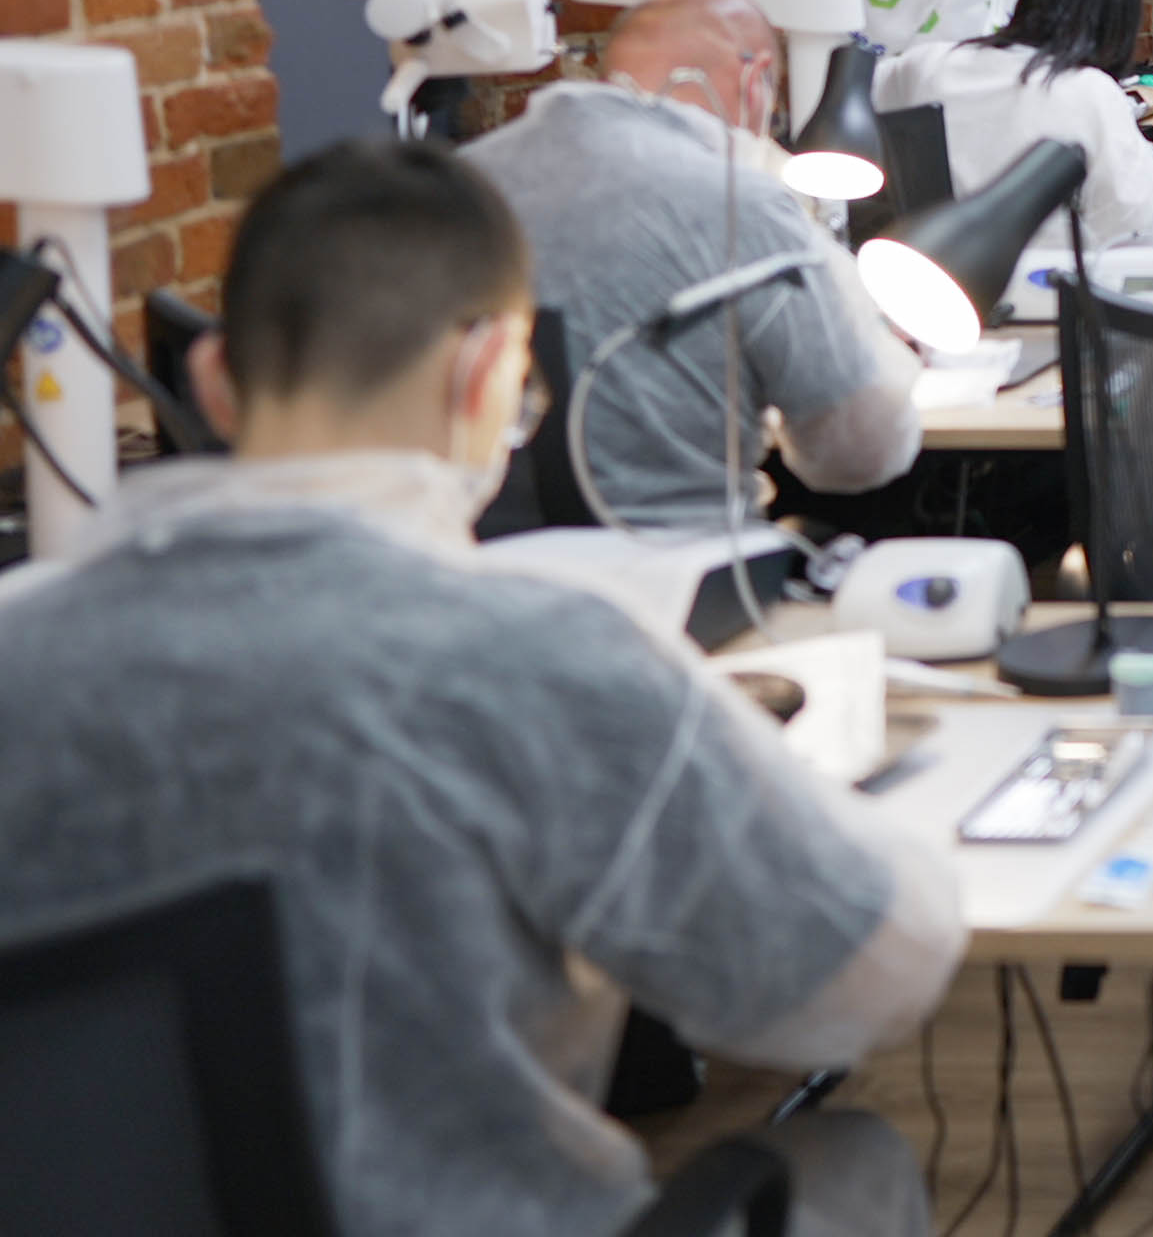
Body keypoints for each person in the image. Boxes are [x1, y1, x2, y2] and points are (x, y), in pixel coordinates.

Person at [0, 141, 957, 1237]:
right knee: (856, 1162)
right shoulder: (537, 654)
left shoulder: (18, 642)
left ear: (213, 380)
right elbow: (865, 977)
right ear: (489, 369)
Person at [462, 0, 920, 529]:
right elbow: (860, 452)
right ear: (756, 79)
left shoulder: (459, 181)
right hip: (684, 559)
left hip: (477, 557)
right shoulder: (741, 204)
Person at [875, 0, 1153, 265]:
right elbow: (1139, 223)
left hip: (928, 267)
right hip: (1044, 282)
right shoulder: (1091, 92)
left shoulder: (927, 64)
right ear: (1118, 29)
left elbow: (855, 106)